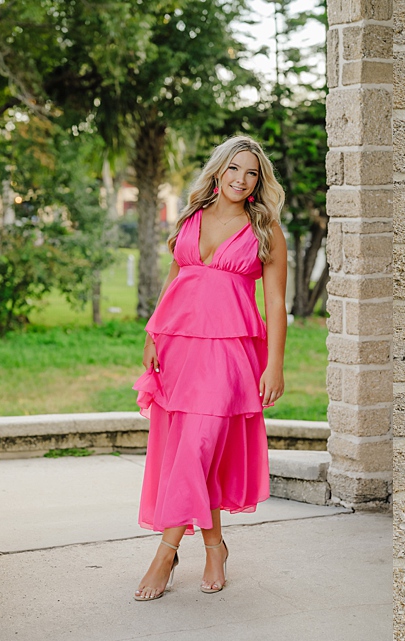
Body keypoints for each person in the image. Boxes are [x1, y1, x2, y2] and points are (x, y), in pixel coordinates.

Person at [132, 136, 288, 602]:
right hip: (179, 349)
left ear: (260, 181)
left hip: (229, 354)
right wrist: (151, 335)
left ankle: (165, 553)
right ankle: (215, 546)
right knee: (193, 451)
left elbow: (276, 302)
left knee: (198, 445)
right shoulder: (191, 218)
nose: (242, 180)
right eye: (234, 169)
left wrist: (275, 364)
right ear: (218, 171)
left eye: (252, 173)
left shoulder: (265, 229)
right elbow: (177, 278)